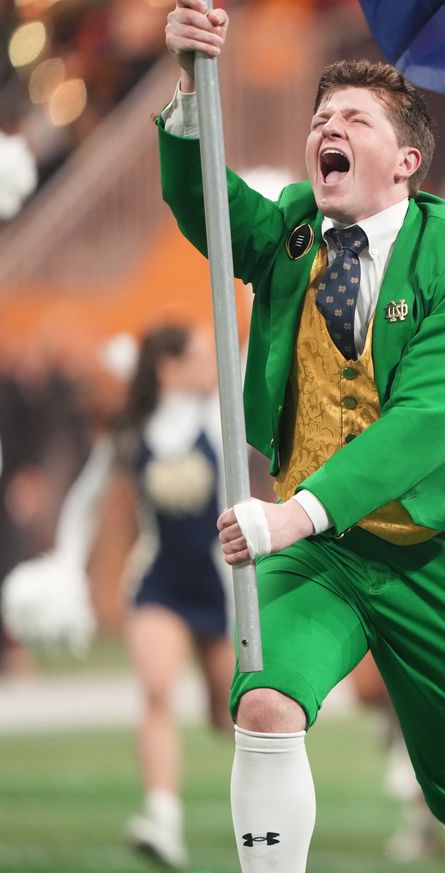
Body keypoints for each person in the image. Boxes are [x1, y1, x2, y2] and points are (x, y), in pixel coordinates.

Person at [160, 4, 445, 872]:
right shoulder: (289, 227)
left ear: (407, 162)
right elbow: (199, 199)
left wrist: (295, 514)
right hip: (325, 554)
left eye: (355, 119)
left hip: (438, 551)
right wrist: (185, 78)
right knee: (265, 707)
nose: (329, 126)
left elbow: (427, 422)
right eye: (322, 118)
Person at [109, 325, 232, 870]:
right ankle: (163, 819)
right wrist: (64, 568)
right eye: (200, 356)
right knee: (157, 691)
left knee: (230, 715)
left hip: (220, 585)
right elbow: (86, 500)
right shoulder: (131, 432)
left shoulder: (217, 419)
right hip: (157, 582)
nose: (212, 364)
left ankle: (271, 816)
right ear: (168, 366)